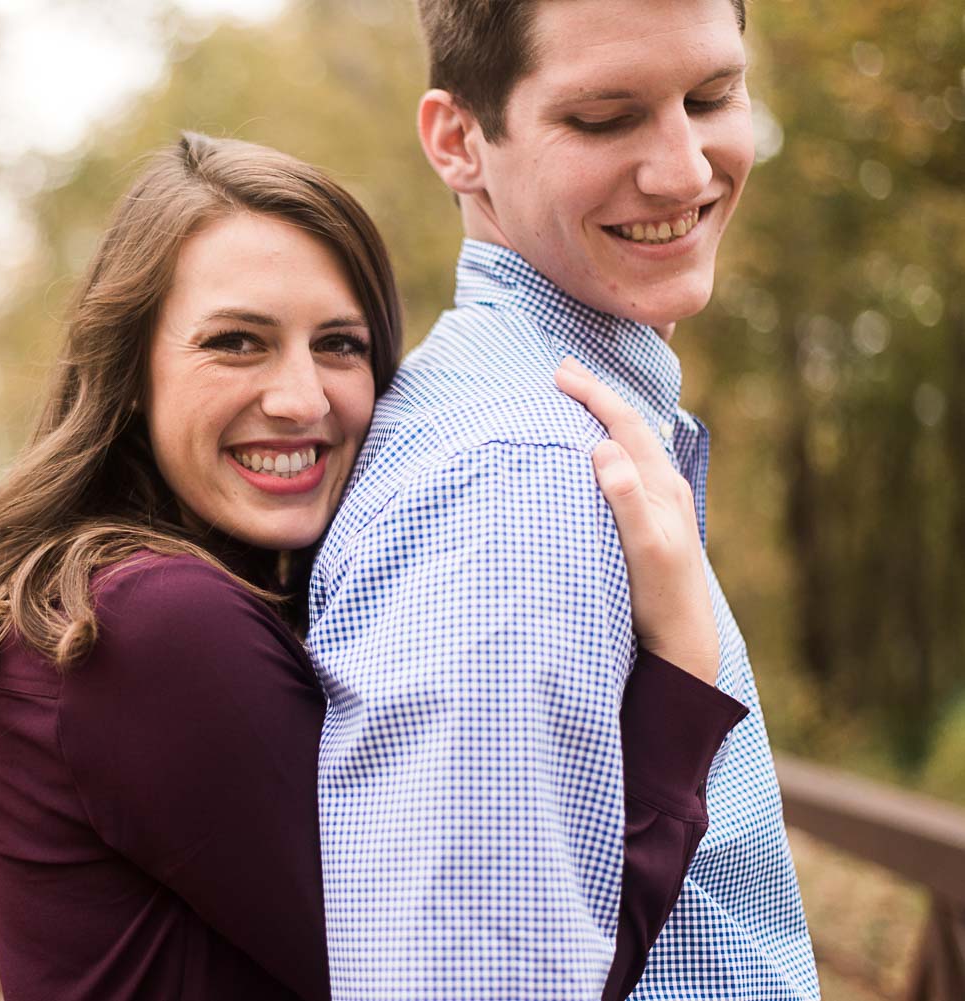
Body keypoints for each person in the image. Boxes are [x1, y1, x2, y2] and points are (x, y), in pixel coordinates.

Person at [0, 133, 746, 1001]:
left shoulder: (140, 600)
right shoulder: (148, 625)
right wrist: (681, 665)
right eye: (236, 342)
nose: (302, 398)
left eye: (340, 345)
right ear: (129, 372)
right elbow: (491, 975)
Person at [308, 0, 822, 998]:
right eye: (604, 118)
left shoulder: (548, 433)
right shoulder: (523, 483)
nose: (684, 168)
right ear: (460, 141)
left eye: (713, 95)